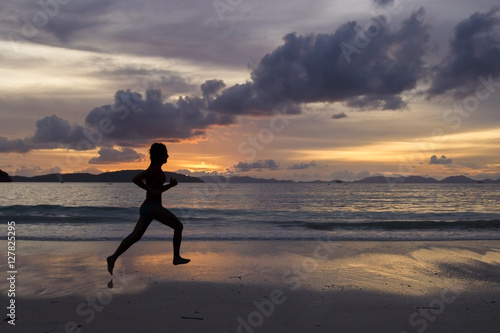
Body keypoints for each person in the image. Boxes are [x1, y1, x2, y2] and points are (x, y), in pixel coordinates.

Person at [107, 143, 190, 275]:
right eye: (165, 153)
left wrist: (170, 185)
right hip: (153, 207)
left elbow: (158, 191)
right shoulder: (154, 169)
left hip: (147, 207)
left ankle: (112, 258)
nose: (168, 156)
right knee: (178, 226)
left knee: (135, 237)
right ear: (159, 155)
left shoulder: (156, 169)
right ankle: (176, 257)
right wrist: (148, 188)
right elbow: (135, 179)